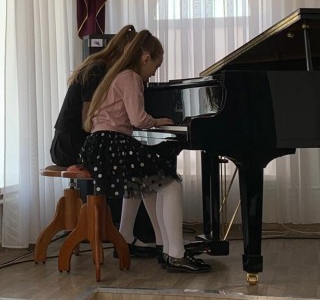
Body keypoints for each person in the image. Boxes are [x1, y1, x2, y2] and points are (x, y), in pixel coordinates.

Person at [80, 30, 211, 273]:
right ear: (145, 57)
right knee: (171, 185)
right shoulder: (131, 77)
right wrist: (158, 121)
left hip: (100, 144)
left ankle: (159, 244)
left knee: (147, 186)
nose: (153, 73)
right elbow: (138, 120)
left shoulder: (116, 74)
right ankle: (176, 254)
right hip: (112, 143)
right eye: (155, 66)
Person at [50, 24, 157, 257]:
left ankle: (130, 235)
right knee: (140, 168)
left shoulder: (103, 67)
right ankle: (133, 235)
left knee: (136, 167)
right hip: (69, 145)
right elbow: (87, 120)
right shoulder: (98, 69)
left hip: (76, 142)